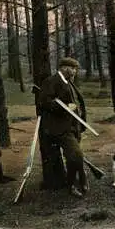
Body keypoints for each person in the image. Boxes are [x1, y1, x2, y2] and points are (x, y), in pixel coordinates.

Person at [39, 57, 88, 198]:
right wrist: (65, 108)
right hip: (60, 129)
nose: (75, 71)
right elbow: (44, 102)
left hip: (73, 127)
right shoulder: (51, 81)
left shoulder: (69, 83)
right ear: (65, 68)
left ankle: (79, 179)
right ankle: (72, 185)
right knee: (76, 156)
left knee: (74, 156)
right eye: (73, 68)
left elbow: (77, 102)